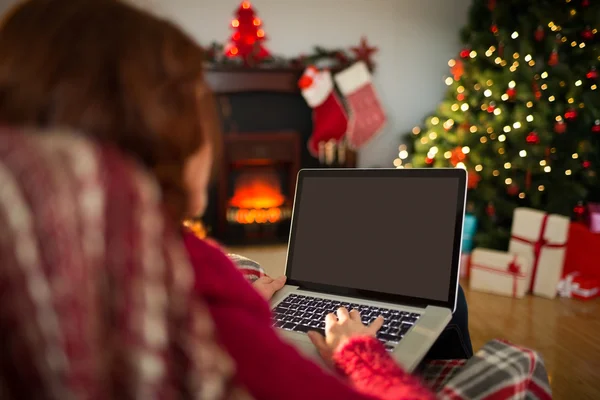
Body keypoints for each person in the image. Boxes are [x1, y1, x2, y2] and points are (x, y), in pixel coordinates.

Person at [0, 0, 438, 399]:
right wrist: (359, 352)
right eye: (201, 110)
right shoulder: (193, 290)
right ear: (162, 132)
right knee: (447, 303)